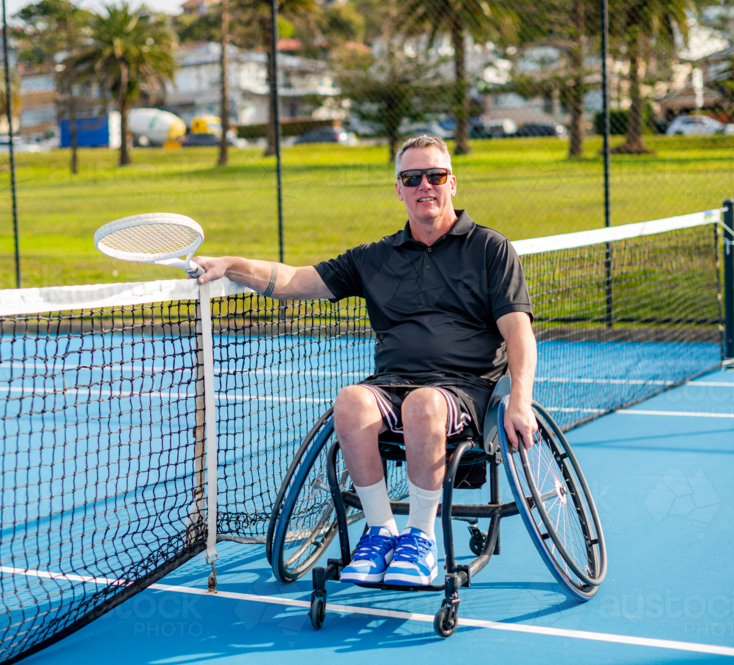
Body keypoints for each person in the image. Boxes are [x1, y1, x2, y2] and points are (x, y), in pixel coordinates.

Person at [194, 135, 537, 587]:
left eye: (434, 176)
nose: (424, 186)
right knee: (351, 401)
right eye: (411, 178)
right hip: (392, 383)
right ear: (399, 189)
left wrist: (520, 399)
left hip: (465, 390)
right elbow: (296, 280)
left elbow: (519, 332)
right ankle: (380, 533)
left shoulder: (491, 248)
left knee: (424, 404)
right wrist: (230, 264)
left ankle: (420, 540)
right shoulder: (375, 257)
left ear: (451, 182)